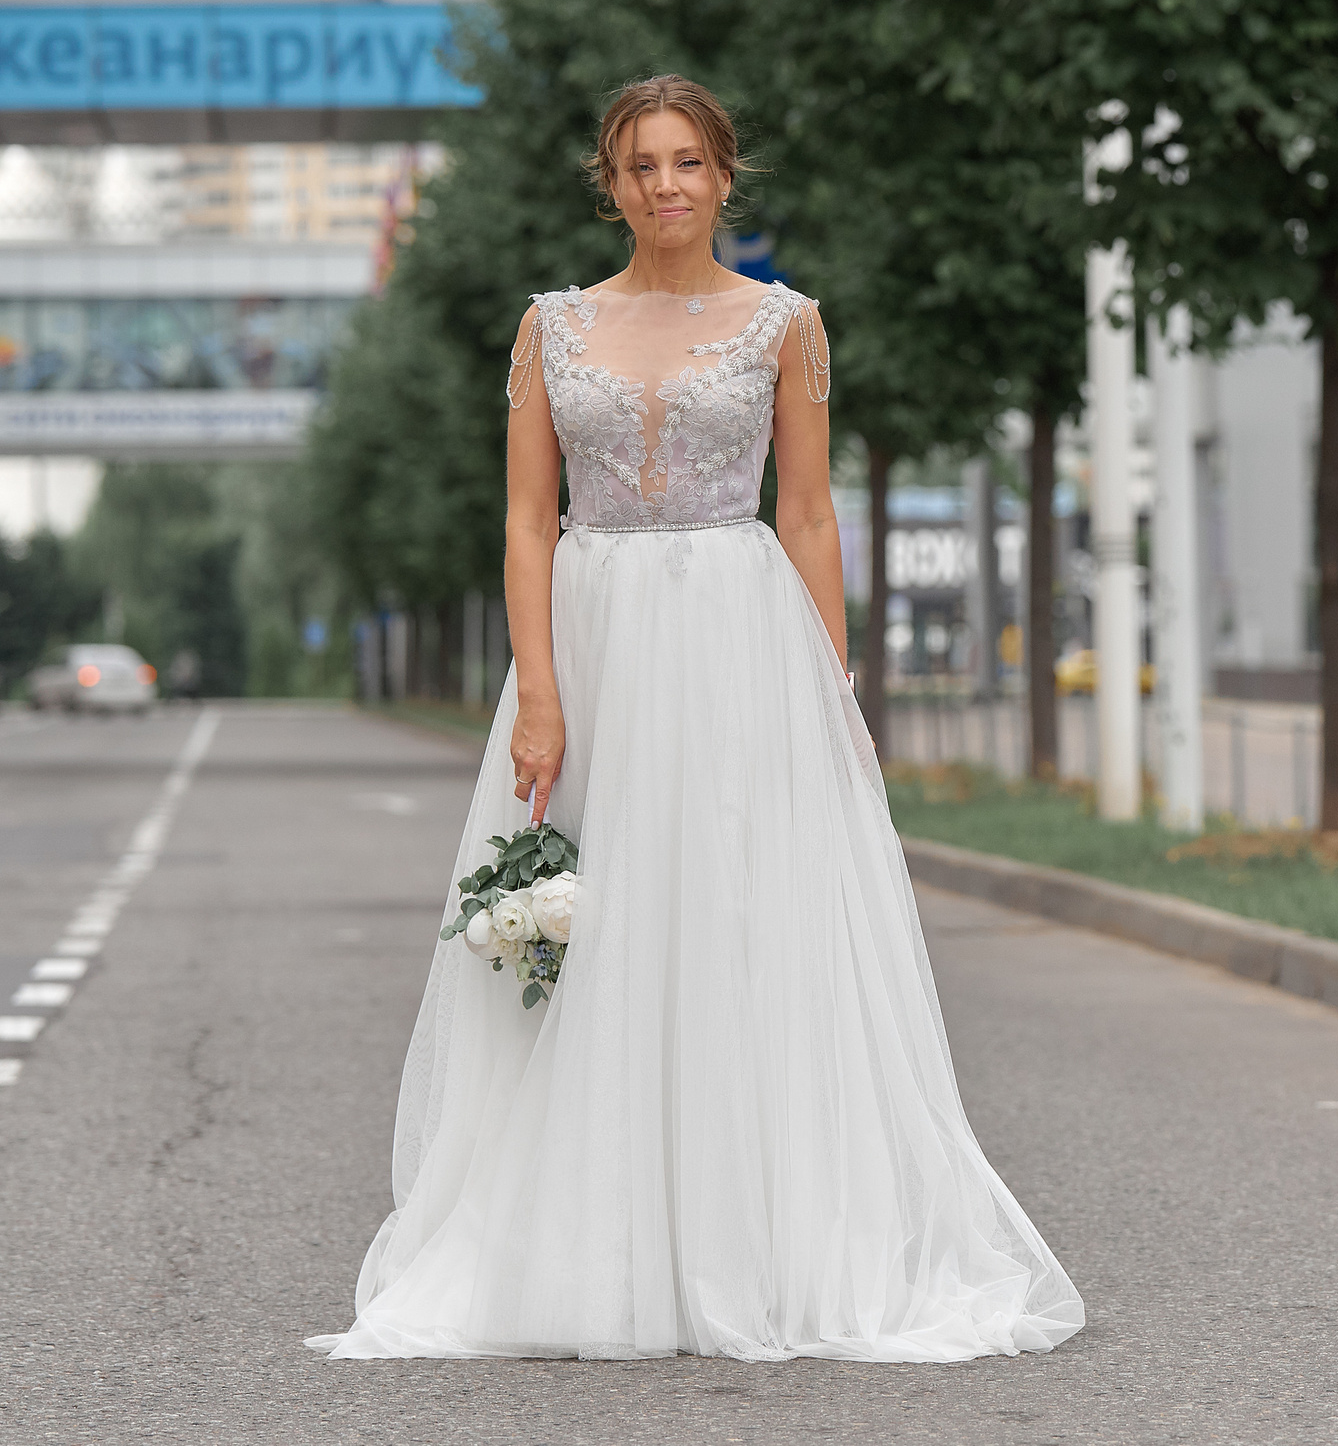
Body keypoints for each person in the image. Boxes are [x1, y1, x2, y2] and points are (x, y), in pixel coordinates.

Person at [308, 76, 1082, 1363]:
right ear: (607, 184)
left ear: (726, 176)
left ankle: (762, 1240)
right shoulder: (549, 326)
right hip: (598, 633)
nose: (663, 185)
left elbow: (811, 514)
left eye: (685, 162)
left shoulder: (786, 323)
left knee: (738, 921)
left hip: (741, 637)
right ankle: (593, 1245)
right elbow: (523, 521)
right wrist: (540, 689)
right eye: (637, 165)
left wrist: (828, 695)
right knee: (597, 931)